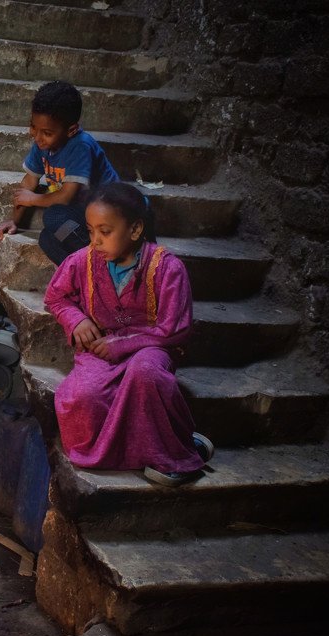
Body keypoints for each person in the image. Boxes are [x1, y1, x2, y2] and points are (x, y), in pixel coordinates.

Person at [44, 183, 213, 486]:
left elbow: (175, 327)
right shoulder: (82, 260)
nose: (95, 240)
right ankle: (160, 442)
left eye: (105, 231)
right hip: (98, 350)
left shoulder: (167, 268)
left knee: (145, 374)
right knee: (81, 398)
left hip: (150, 348)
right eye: (91, 230)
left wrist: (124, 344)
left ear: (135, 230)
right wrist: (77, 319)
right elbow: (56, 297)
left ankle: (174, 453)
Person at [0, 81, 120, 265]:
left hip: (110, 215)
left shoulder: (80, 145)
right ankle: (90, 270)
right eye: (33, 127)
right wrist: (14, 221)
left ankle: (106, 259)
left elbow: (67, 196)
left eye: (46, 132)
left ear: (71, 130)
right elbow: (29, 182)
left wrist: (33, 199)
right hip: (84, 217)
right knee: (48, 239)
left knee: (54, 216)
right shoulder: (42, 144)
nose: (37, 137)